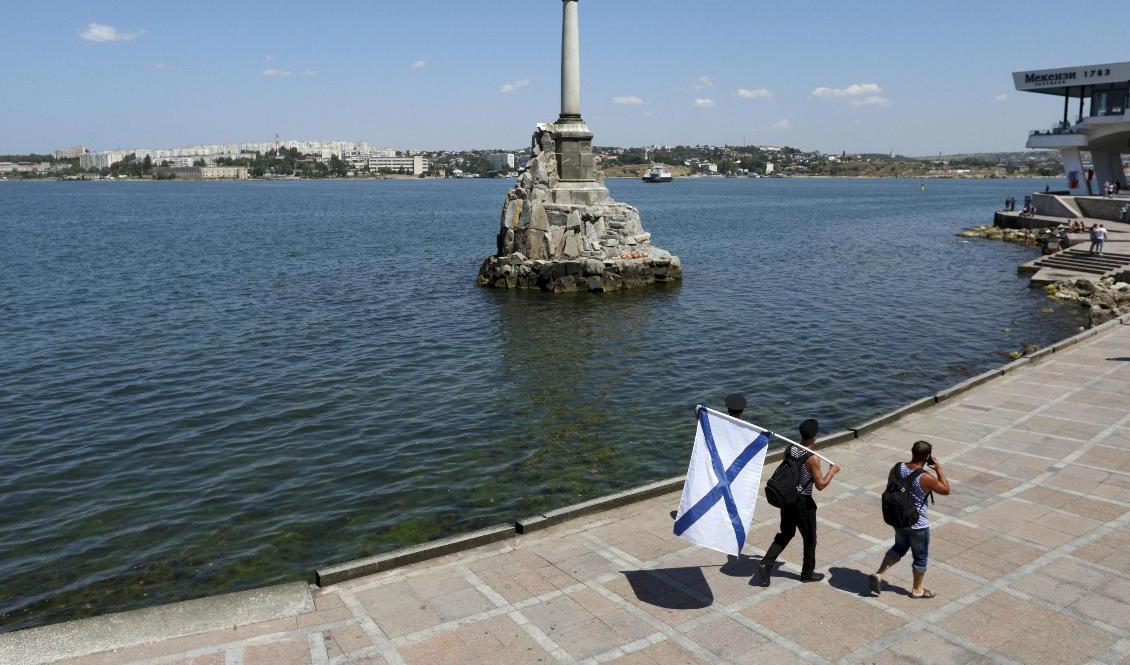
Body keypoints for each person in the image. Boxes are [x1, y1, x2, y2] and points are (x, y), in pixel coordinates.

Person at [758, 419, 841, 585]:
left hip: (788, 498)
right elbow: (820, 485)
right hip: (803, 502)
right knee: (810, 538)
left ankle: (766, 562)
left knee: (786, 533)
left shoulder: (790, 449)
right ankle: (807, 573)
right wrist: (832, 471)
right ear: (814, 437)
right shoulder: (812, 459)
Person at [869, 440, 950, 599]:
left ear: (912, 452)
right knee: (920, 556)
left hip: (899, 520)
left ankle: (879, 574)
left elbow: (890, 489)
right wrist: (938, 468)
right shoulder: (925, 477)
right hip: (918, 525)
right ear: (927, 458)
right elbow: (946, 489)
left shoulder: (897, 468)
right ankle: (917, 590)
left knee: (899, 547)